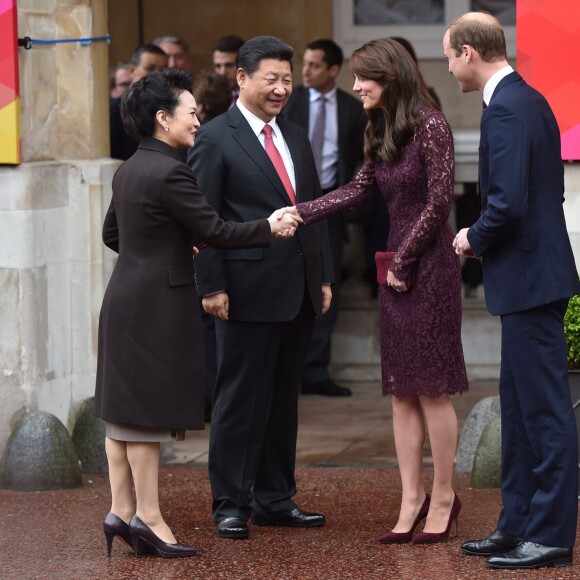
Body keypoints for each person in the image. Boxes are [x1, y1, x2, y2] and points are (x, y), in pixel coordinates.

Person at [94, 68, 300, 559]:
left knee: (121, 413)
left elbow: (113, 235)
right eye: (190, 112)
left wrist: (166, 244)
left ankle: (120, 512)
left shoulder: (129, 168)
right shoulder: (172, 170)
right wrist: (268, 225)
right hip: (157, 303)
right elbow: (218, 230)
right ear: (163, 119)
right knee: (144, 415)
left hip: (123, 294)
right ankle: (150, 518)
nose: (197, 120)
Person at [293, 38, 468, 545]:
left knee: (431, 388)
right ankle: (410, 498)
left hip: (428, 268)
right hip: (395, 267)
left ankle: (442, 496)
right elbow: (357, 189)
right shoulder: (380, 127)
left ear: (388, 76)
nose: (355, 87)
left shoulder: (431, 124)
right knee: (400, 392)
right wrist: (301, 213)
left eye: (361, 78)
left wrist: (407, 258)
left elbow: (439, 204)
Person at [446, 12, 580, 571]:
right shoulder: (528, 100)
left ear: (470, 53)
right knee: (521, 413)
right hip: (531, 279)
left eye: (451, 54)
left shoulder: (506, 109)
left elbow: (507, 204)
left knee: (544, 415)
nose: (450, 65)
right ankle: (516, 525)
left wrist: (470, 238)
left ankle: (548, 535)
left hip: (528, 281)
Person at [188, 35, 333, 540]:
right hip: (243, 289)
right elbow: (203, 220)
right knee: (238, 398)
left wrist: (325, 275)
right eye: (271, 79)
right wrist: (211, 286)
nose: (280, 89)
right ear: (242, 78)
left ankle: (275, 497)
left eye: (287, 81)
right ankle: (230, 501)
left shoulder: (294, 135)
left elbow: (313, 209)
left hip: (296, 288)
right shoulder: (214, 137)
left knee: (282, 398)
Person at [282, 38, 367, 398]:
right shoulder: (290, 101)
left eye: (315, 65)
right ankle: (287, 371)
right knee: (287, 287)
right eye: (305, 63)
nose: (305, 71)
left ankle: (316, 372)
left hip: (331, 207)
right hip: (288, 206)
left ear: (334, 69)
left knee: (326, 288)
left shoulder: (353, 108)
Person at [191, 70, 234, 420]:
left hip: (214, 256)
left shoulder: (205, 140)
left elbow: (207, 217)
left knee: (209, 333)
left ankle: (207, 399)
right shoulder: (204, 142)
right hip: (205, 258)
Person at [110, 44, 168, 160]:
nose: (157, 75)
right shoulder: (114, 110)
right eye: (150, 69)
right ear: (132, 70)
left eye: (162, 70)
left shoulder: (171, 108)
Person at [212, 34, 245, 104]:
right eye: (218, 66)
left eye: (229, 65)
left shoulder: (258, 97)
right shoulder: (207, 99)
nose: (222, 73)